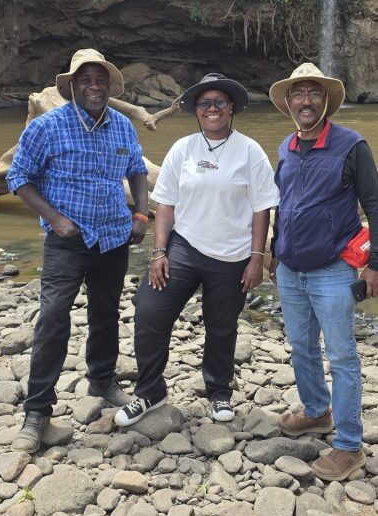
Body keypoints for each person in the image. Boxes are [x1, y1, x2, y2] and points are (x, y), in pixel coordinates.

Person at [115, 72, 279, 427]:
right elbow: (166, 205)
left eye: (219, 102)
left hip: (233, 256)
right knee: (149, 312)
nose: (212, 108)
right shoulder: (183, 148)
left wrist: (256, 258)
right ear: (196, 110)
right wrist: (159, 253)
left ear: (231, 107)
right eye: (205, 103)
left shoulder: (250, 151)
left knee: (222, 327)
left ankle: (219, 392)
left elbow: (261, 209)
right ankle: (150, 392)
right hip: (184, 248)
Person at [7, 48, 148, 453]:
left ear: (109, 86)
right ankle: (37, 412)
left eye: (100, 80)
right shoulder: (47, 126)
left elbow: (137, 170)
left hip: (114, 238)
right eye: (85, 79)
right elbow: (18, 176)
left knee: (105, 313)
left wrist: (141, 214)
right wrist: (54, 218)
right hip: (66, 240)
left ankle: (101, 380)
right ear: (71, 86)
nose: (94, 86)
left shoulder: (122, 126)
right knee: (53, 318)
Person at [269, 61, 378, 482]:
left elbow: (374, 205)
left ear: (326, 101)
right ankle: (318, 411)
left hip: (334, 268)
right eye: (299, 93)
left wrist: (377, 263)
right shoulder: (285, 147)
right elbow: (283, 205)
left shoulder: (351, 145)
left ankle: (350, 445)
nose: (306, 100)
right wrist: (274, 252)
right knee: (301, 346)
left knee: (341, 356)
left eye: (314, 93)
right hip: (290, 268)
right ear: (288, 102)